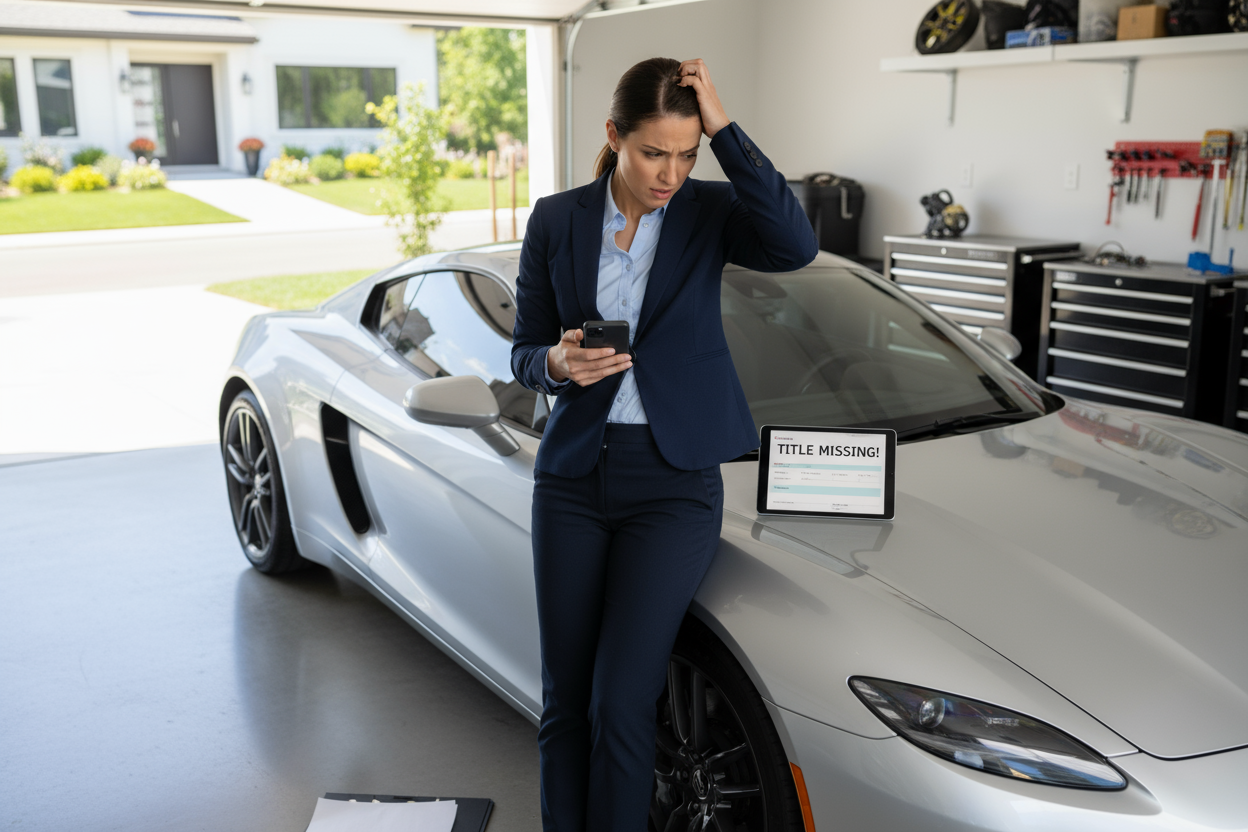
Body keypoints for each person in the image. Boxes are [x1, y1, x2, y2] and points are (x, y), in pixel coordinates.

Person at [510, 56, 818, 832]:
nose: (671, 173)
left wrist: (725, 129)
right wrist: (555, 362)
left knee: (623, 700)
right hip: (574, 481)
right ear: (614, 137)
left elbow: (795, 245)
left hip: (673, 485)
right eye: (655, 152)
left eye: (687, 154)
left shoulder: (709, 211)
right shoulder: (556, 218)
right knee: (566, 701)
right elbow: (523, 348)